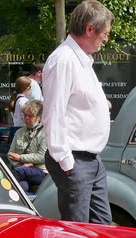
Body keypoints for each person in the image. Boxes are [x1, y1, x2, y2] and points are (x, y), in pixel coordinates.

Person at [43, 0, 113, 224]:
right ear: (90, 29)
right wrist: (66, 162)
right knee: (78, 234)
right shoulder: (63, 60)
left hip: (89, 159)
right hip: (74, 158)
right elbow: (53, 113)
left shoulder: (80, 60)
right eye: (105, 33)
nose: (107, 39)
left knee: (101, 229)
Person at [8, 100, 47, 193]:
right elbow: (10, 154)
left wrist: (21, 158)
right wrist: (21, 165)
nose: (26, 118)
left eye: (30, 116)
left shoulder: (45, 132)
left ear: (39, 117)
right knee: (21, 187)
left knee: (21, 172)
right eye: (25, 115)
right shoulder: (19, 132)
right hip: (22, 169)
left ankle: (0, 184)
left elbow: (42, 156)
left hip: (40, 171)